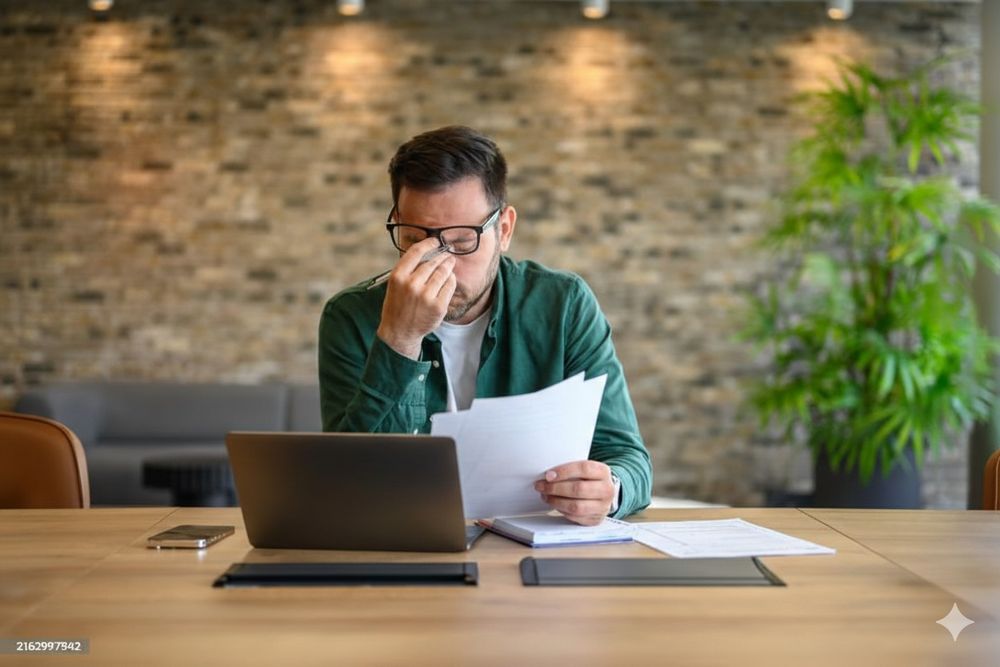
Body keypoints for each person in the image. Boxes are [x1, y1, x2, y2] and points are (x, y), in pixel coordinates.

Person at [318, 125, 652, 525]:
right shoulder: (351, 317)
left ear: (504, 230)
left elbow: (629, 459)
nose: (441, 263)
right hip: (406, 547)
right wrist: (399, 339)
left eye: (462, 243)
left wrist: (608, 490)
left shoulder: (562, 305)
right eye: (415, 240)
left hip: (535, 546)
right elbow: (349, 485)